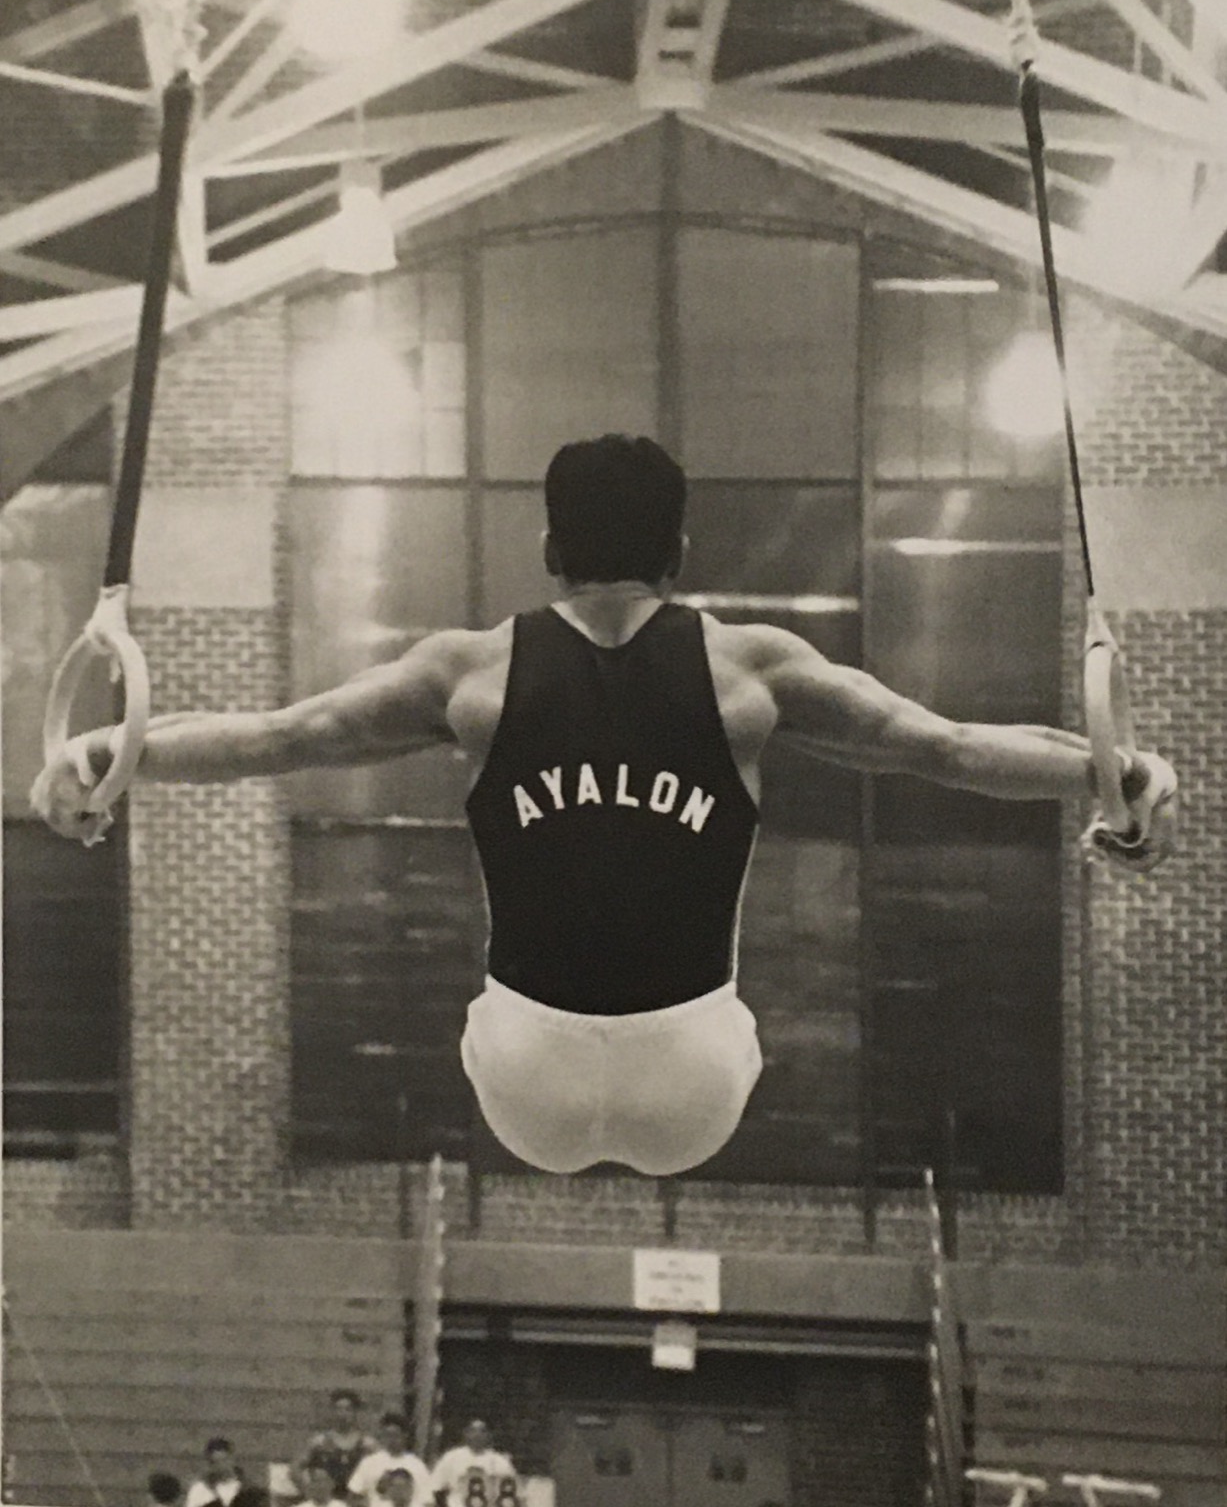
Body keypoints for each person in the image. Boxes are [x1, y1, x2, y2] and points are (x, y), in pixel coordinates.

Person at [33, 434, 1179, 1177]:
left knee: (488, 1004)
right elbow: (948, 746)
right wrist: (1115, 768)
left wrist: (105, 753)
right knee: (732, 1015)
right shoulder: (751, 671)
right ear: (679, 549)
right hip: (694, 1079)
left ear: (548, 547)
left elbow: (280, 736)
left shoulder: (471, 673)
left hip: (525, 1072)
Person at [295, 1390, 378, 1497]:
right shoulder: (319, 1442)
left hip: (356, 1500)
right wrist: (309, 1491)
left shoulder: (367, 1444)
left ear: (355, 1413)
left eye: (348, 1410)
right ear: (332, 1412)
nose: (343, 1414)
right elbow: (295, 1468)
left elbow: (384, 1468)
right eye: (338, 1409)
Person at [345, 1413, 432, 1507]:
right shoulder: (369, 1463)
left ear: (405, 1435)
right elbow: (353, 1495)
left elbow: (427, 1501)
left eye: (395, 1435)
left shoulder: (417, 1466)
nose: (391, 1440)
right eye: (387, 1435)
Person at [430, 1422, 517, 1507]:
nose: (477, 1435)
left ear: (489, 1435)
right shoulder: (451, 1457)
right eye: (473, 1430)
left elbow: (510, 1494)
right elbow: (436, 1487)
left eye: (482, 1431)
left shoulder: (500, 1461)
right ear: (465, 1434)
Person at [184, 1440, 243, 1507]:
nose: (222, 1466)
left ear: (232, 1460)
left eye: (225, 1460)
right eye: (216, 1462)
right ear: (210, 1464)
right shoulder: (199, 1489)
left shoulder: (243, 1489)